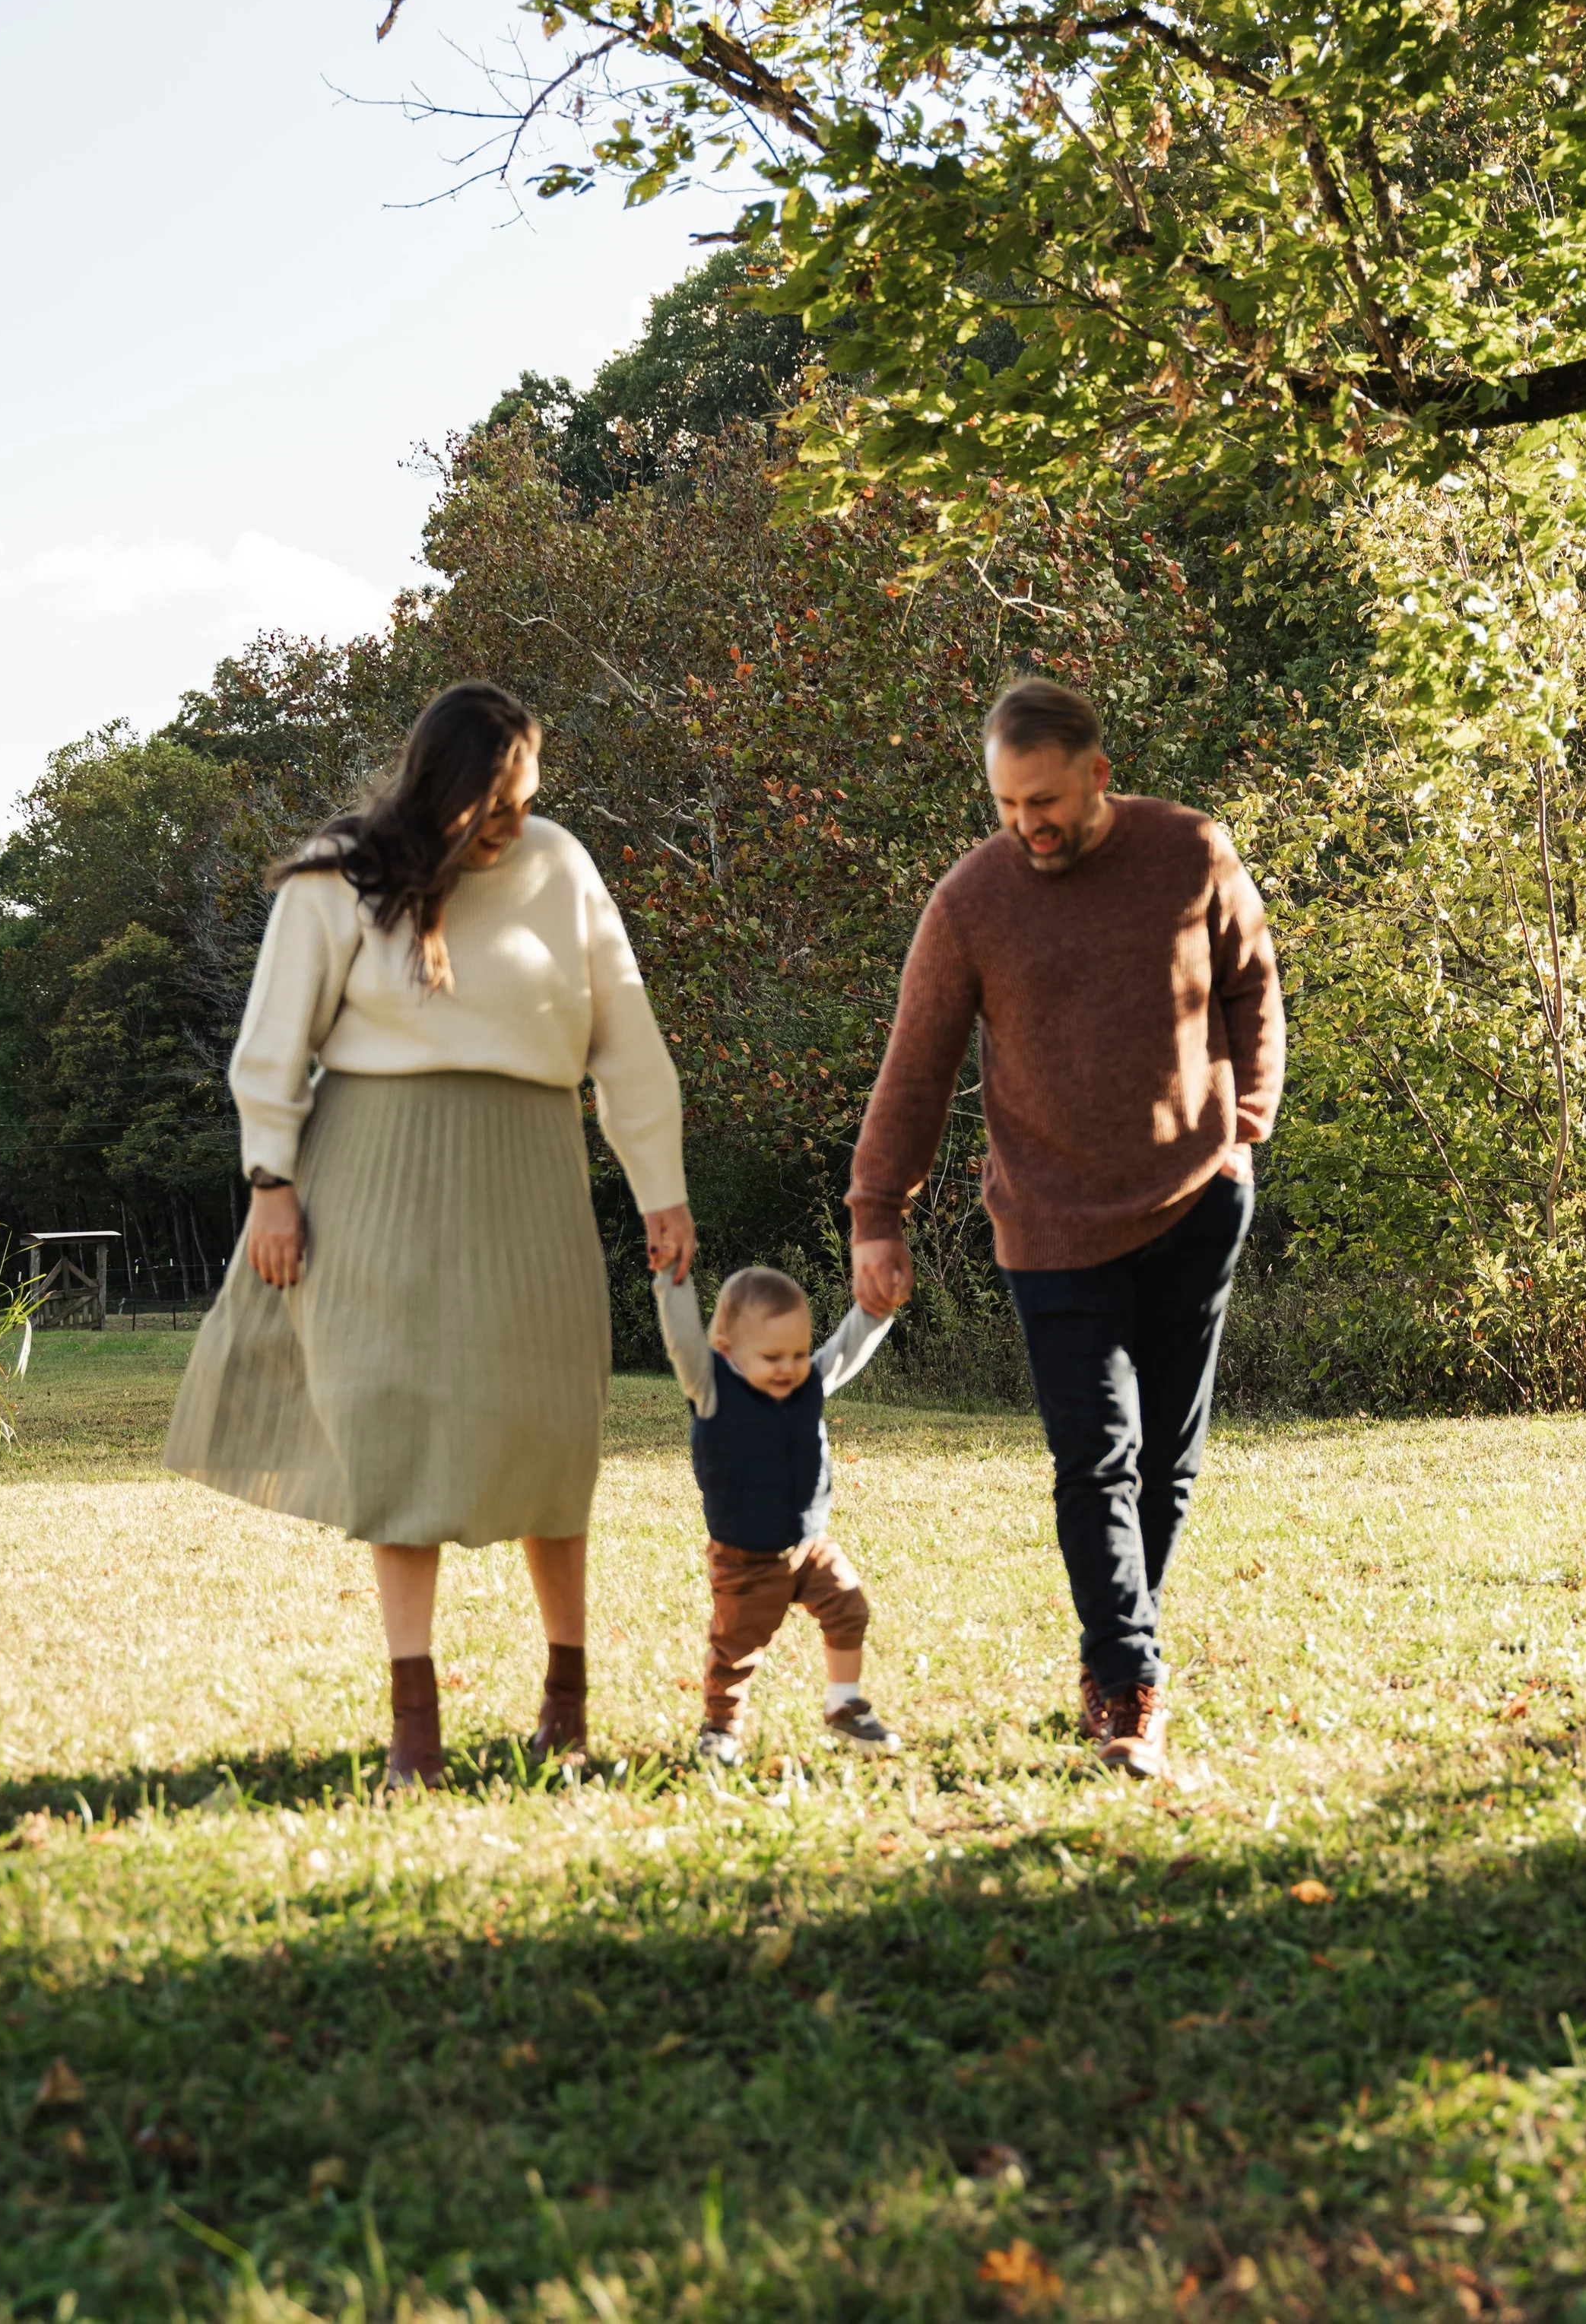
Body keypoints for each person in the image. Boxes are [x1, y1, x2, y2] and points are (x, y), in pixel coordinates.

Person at [164, 681, 693, 1786]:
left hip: (531, 1179)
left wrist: (662, 1188)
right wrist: (270, 1182)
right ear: (442, 788)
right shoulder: (338, 873)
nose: (511, 825)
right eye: (494, 804)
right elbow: (272, 1041)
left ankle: (569, 1702)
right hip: (374, 1178)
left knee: (552, 1433)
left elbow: (627, 1039)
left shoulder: (561, 866)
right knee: (393, 1430)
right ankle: (416, 1727)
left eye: (526, 800)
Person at [848, 678, 1284, 1780]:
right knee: (1096, 1457)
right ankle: (1130, 1679)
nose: (1026, 822)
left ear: (1098, 773)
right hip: (1048, 1219)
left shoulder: (1191, 853)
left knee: (1167, 1464)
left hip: (1196, 1200)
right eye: (1005, 803)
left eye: (1042, 799)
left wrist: (1245, 1124)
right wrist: (876, 1211)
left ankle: (1114, 1655)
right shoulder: (972, 901)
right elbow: (917, 1064)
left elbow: (1252, 985)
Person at [655, 1262, 899, 1767]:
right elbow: (682, 1340)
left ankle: (843, 1704)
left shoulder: (806, 1382)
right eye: (771, 1357)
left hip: (809, 1545)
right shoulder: (712, 1387)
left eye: (797, 1353)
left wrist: (875, 1312)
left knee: (849, 1607)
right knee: (736, 1647)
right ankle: (720, 1728)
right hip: (744, 1556)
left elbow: (845, 1351)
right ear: (726, 1350)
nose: (789, 1367)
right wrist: (671, 1280)